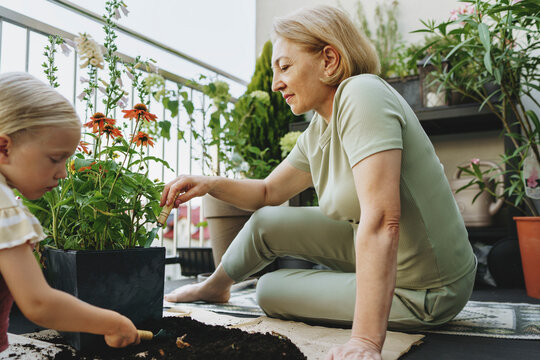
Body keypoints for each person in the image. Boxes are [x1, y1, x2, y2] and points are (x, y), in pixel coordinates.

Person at [161, 5, 476, 360]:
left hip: (429, 287)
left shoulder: (362, 94)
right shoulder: (321, 127)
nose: (275, 83)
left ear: (329, 60)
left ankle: (383, 318)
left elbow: (382, 219)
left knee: (270, 290)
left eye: (284, 66)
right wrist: (210, 183)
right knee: (267, 221)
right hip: (390, 249)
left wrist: (366, 342)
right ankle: (215, 287)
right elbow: (268, 193)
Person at [0, 72, 140, 352]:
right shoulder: (4, 207)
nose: (63, 173)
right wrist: (112, 323)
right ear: (4, 148)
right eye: (55, 158)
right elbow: (38, 303)